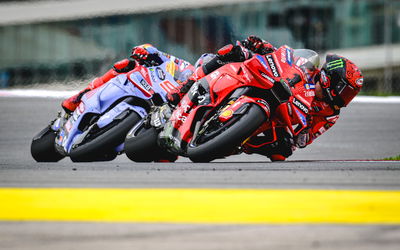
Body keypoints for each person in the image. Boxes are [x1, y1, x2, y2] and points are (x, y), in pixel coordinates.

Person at [166, 35, 364, 161]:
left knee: (282, 152)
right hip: (267, 82)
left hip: (280, 118)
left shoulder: (330, 115)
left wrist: (296, 139)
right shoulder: (308, 66)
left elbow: (306, 138)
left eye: (350, 95)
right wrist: (263, 47)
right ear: (332, 79)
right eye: (346, 91)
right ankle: (183, 89)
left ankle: (234, 141)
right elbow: (284, 57)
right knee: (235, 52)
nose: (346, 98)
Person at [61, 44, 194, 113]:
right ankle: (80, 96)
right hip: (146, 83)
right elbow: (154, 51)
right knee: (125, 64)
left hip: (163, 103)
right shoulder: (184, 66)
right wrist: (144, 51)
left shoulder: (198, 87)